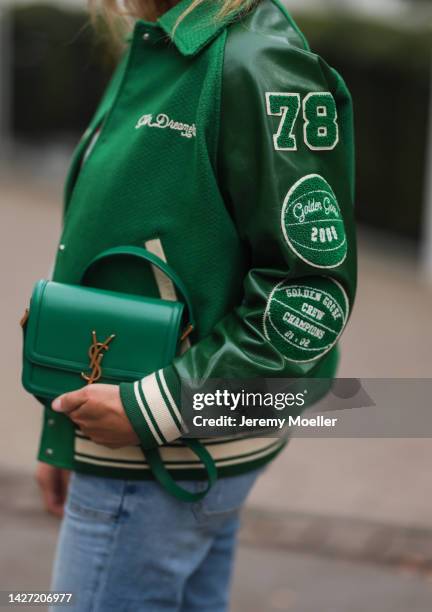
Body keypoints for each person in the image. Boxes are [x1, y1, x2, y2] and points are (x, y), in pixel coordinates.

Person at [35, 0, 357, 609]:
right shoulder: (168, 43)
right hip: (146, 438)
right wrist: (62, 435)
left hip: (163, 450)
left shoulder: (255, 62)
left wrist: (156, 408)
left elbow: (306, 295)